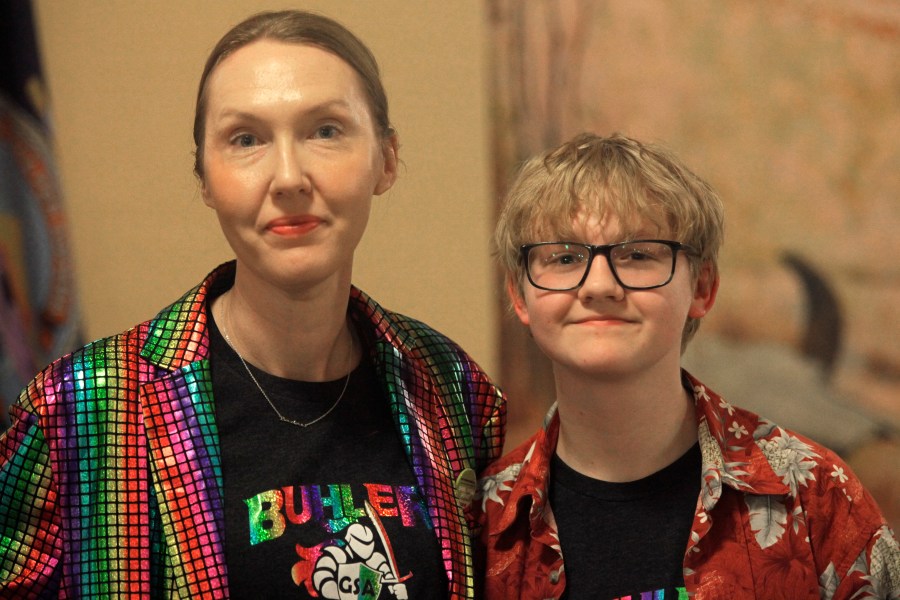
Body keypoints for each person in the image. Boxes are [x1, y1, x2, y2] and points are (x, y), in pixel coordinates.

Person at [0, 10, 505, 599]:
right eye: (246, 139)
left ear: (386, 160)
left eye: (325, 130)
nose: (289, 177)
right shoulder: (81, 410)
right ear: (206, 178)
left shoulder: (452, 388)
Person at [473, 132, 899, 599]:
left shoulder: (815, 494)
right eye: (564, 257)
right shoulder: (482, 525)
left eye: (637, 254)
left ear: (702, 288)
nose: (598, 285)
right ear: (520, 295)